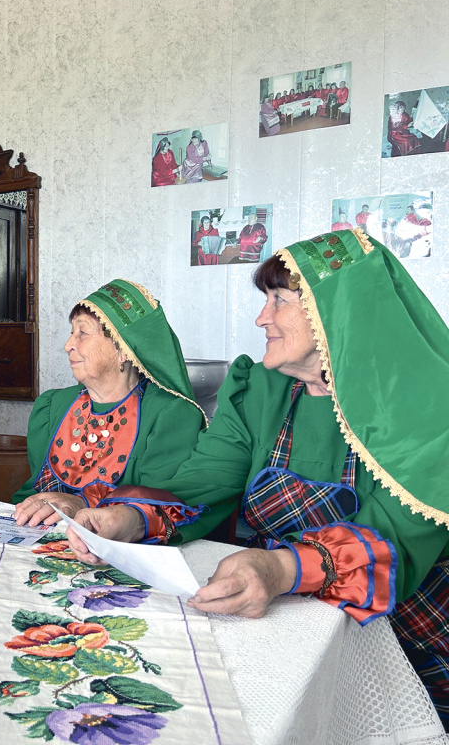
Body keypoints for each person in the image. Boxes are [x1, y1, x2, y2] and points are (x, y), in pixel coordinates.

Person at [65, 230, 449, 727]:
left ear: (337, 310)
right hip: (279, 614)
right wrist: (131, 518)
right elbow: (203, 481)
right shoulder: (260, 388)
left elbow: (393, 538)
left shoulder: (424, 405)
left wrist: (279, 570)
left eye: (279, 300)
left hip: (406, 634)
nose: (261, 318)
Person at [12, 279, 205, 527]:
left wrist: (82, 503)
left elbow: (161, 508)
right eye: (72, 333)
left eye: (82, 332)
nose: (68, 345)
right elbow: (31, 496)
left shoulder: (171, 415)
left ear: (124, 349)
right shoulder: (52, 406)